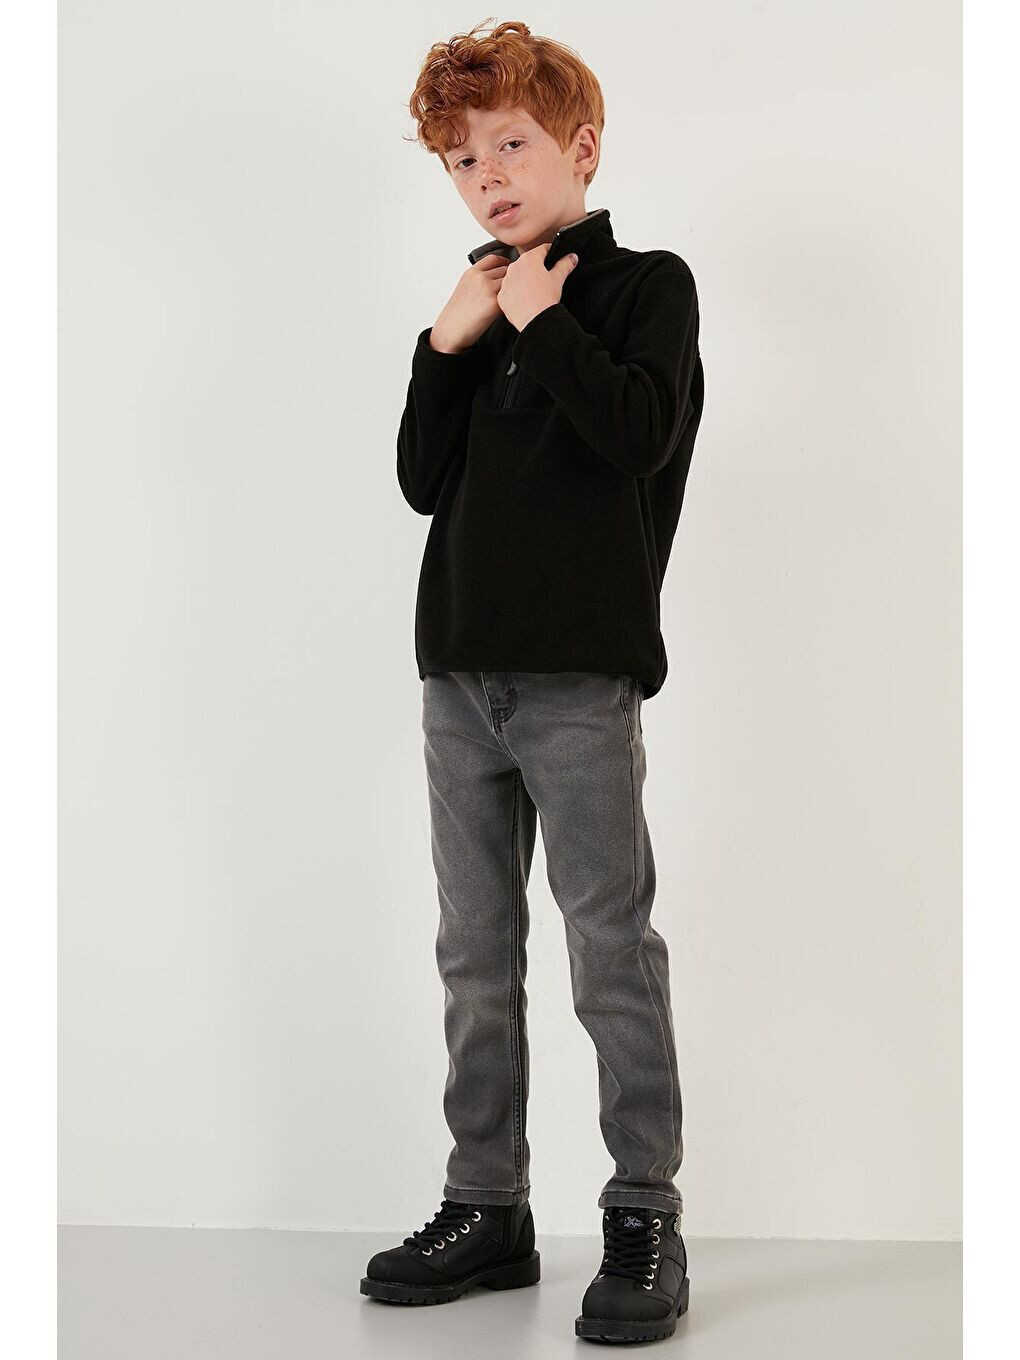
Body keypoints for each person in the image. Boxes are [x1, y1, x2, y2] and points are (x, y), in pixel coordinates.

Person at [360, 18, 704, 1344]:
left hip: (576, 683)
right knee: (473, 952)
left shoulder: (644, 290)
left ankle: (644, 1214)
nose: (487, 175)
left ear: (582, 146)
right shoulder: (480, 305)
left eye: (510, 144)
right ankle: (487, 1206)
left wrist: (543, 322)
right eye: (462, 159)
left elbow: (636, 436)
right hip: (459, 675)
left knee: (609, 948)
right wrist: (441, 348)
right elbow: (420, 482)